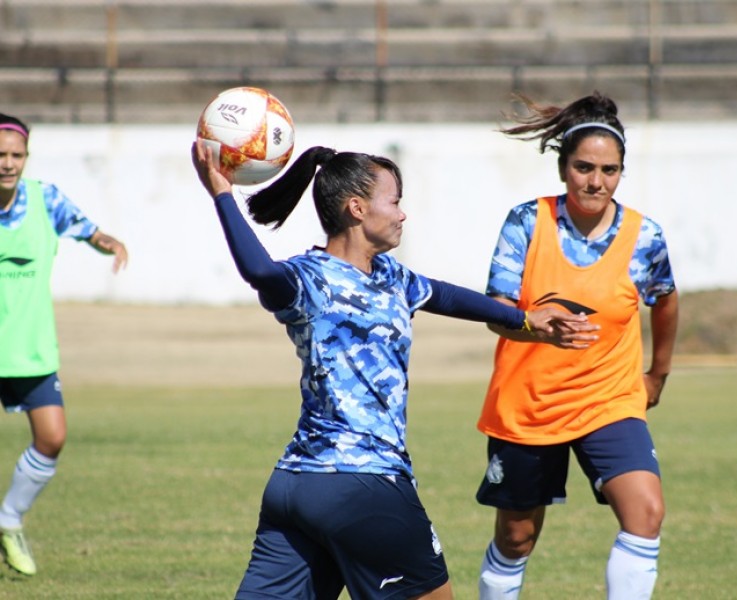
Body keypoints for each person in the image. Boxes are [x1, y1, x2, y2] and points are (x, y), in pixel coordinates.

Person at [191, 140, 596, 600]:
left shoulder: (390, 276)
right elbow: (261, 272)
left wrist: (525, 319)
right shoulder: (308, 280)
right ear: (357, 208)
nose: (403, 214)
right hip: (363, 484)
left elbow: (447, 296)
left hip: (296, 485)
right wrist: (222, 192)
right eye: (395, 201)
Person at [474, 91, 679, 600]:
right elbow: (495, 312)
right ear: (564, 167)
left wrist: (658, 374)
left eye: (609, 170)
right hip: (529, 404)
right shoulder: (526, 222)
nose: (596, 181)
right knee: (516, 537)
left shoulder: (644, 236)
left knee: (646, 511)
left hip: (608, 401)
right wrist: (537, 327)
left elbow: (666, 300)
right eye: (584, 167)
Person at [0, 113, 128, 576]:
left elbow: (86, 230)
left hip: (30, 348)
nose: (8, 164)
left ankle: (9, 520)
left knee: (52, 438)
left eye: (16, 155)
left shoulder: (44, 198)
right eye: (0, 155)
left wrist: (108, 242)